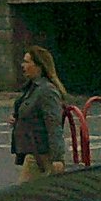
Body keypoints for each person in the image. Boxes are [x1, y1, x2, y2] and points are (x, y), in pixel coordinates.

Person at [10, 45, 68, 182]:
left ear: (39, 66)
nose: (23, 65)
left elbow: (54, 126)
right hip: (32, 152)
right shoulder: (31, 89)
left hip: (40, 155)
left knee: (24, 196)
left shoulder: (46, 91)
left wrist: (58, 158)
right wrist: (16, 119)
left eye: (27, 62)